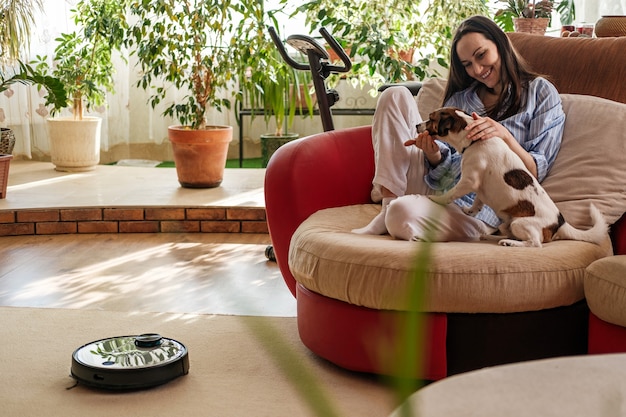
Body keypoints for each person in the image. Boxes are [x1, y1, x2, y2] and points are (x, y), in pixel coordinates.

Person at [351, 15, 566, 242]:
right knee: (394, 95)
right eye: (467, 65)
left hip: (476, 206)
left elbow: (534, 172)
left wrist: (504, 136)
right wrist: (432, 153)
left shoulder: (539, 93)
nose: (477, 69)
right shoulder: (461, 100)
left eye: (481, 55)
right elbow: (442, 165)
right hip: (435, 185)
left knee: (400, 214)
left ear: (500, 44)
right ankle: (387, 205)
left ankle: (399, 213)